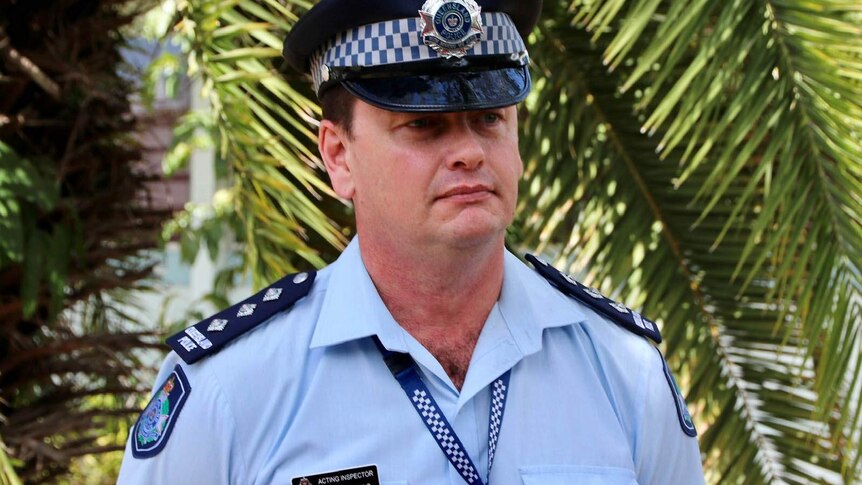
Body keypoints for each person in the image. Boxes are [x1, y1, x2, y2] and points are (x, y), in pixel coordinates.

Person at [118, 0, 706, 483]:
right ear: (339, 156)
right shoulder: (231, 390)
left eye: (490, 119)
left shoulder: (622, 370)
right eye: (423, 124)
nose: (471, 151)